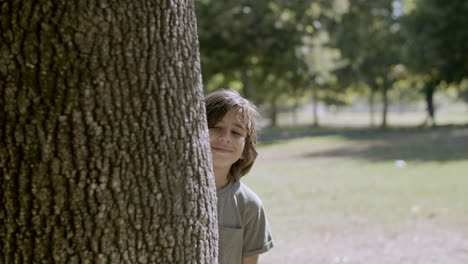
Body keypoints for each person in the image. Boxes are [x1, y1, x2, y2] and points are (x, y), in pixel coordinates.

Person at [205, 89, 274, 264]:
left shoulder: (249, 205)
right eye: (215, 127)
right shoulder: (169, 192)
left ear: (246, 149)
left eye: (236, 133)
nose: (225, 137)